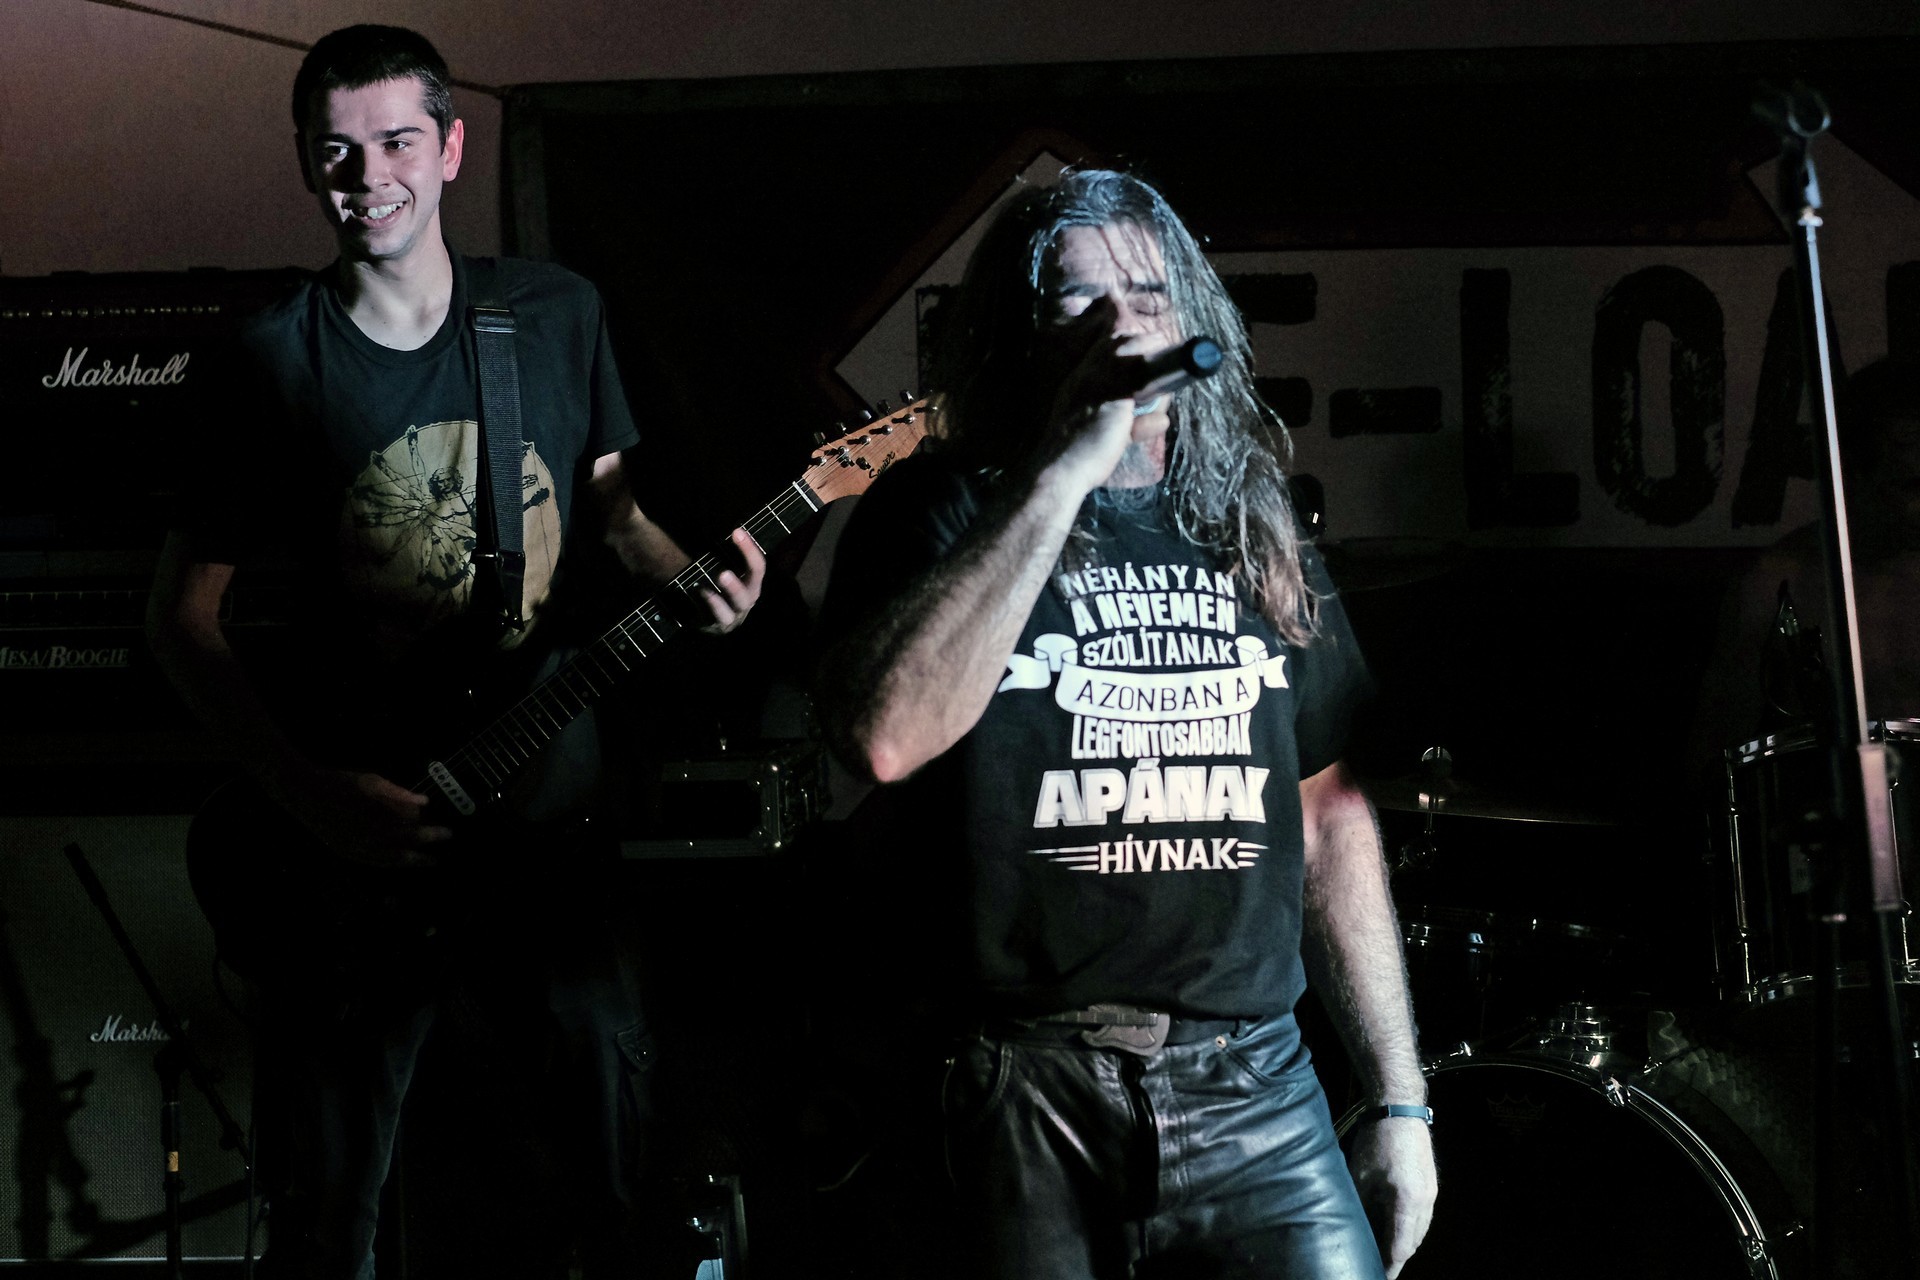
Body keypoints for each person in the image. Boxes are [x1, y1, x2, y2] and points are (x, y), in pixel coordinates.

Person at [145, 25, 763, 1278]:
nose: (368, 176)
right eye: (337, 150)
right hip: (364, 835)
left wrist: (691, 581)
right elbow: (180, 619)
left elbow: (614, 514)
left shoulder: (552, 314)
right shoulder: (269, 363)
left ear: (451, 148)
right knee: (331, 1218)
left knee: (612, 1174)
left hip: (544, 817)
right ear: (306, 161)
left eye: (396, 142)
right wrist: (315, 798)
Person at [813, 170, 1436, 1279]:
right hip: (1024, 1088)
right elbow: (884, 740)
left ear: (1192, 319)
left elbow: (1329, 818)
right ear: (1021, 330)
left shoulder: (1248, 522)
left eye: (1147, 293)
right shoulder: (940, 511)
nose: (1121, 323)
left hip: (1257, 1090)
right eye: (1079, 298)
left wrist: (1399, 1099)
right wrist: (1065, 470)